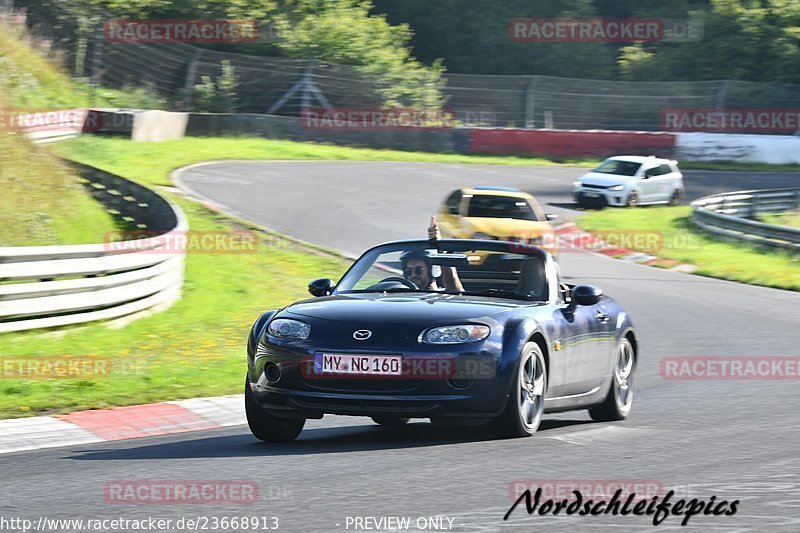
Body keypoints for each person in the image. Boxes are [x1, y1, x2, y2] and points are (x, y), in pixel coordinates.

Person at [400, 217, 464, 292]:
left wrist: (440, 246)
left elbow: (453, 286)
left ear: (433, 271)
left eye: (418, 270)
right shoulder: (401, 298)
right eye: (408, 271)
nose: (413, 275)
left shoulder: (444, 297)